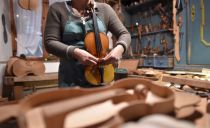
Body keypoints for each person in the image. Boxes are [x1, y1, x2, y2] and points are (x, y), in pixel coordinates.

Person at [44, 0, 131, 88]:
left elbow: (125, 34)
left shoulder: (105, 9)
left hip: (101, 77)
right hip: (70, 81)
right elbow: (50, 42)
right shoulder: (57, 9)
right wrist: (75, 52)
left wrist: (119, 49)